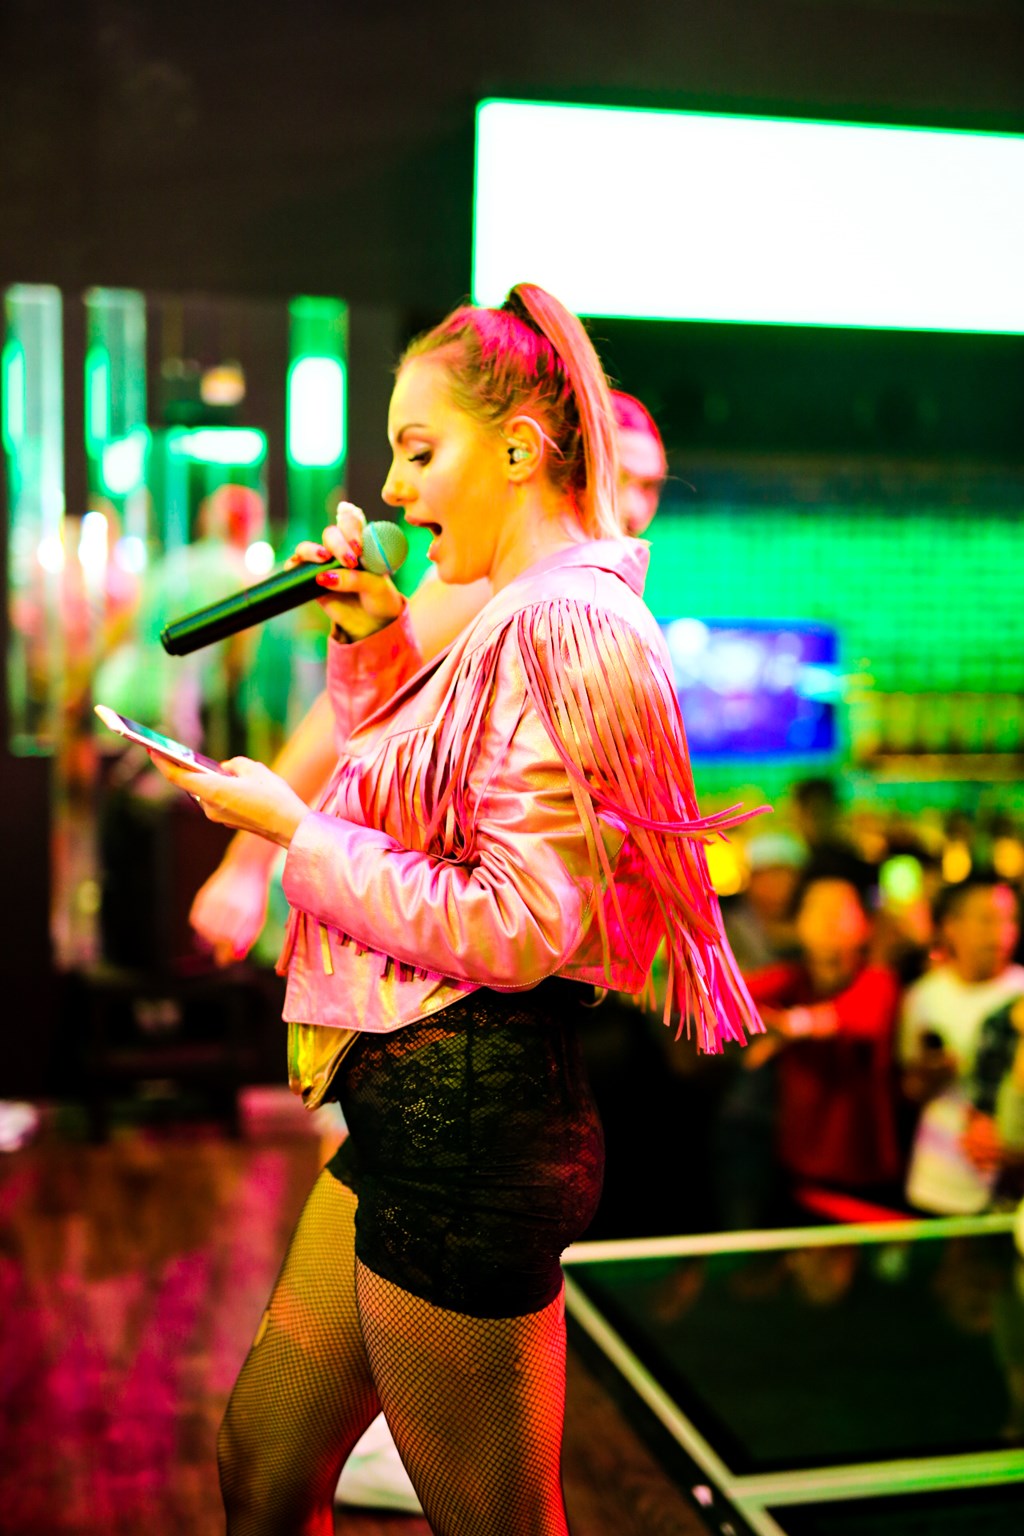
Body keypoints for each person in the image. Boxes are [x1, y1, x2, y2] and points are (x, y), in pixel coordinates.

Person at [145, 283, 761, 1535]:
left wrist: (290, 834)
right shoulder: (512, 614)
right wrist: (372, 641)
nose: (392, 487)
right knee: (263, 1462)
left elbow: (514, 926)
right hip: (411, 1124)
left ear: (519, 451)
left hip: (470, 1142)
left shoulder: (568, 627)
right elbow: (418, 804)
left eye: (419, 452)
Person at [186, 390, 667, 971]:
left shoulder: (567, 585)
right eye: (620, 477)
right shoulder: (511, 582)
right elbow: (361, 710)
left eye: (650, 487)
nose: (634, 506)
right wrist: (246, 862)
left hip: (420, 898)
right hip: (391, 893)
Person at [715, 875, 902, 1228]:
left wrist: (788, 1027)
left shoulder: (878, 980)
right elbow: (722, 995)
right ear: (798, 925)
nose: (828, 919)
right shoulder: (792, 979)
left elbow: (857, 1017)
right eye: (816, 909)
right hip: (798, 1170)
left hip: (863, 1175)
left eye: (841, 909)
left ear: (866, 925)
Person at [900, 876, 1024, 1214]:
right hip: (935, 1179)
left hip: (1008, 1191)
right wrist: (928, 1076)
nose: (1001, 933)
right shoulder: (923, 996)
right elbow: (908, 1089)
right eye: (987, 920)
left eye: (1009, 920)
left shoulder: (1020, 996)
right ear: (951, 927)